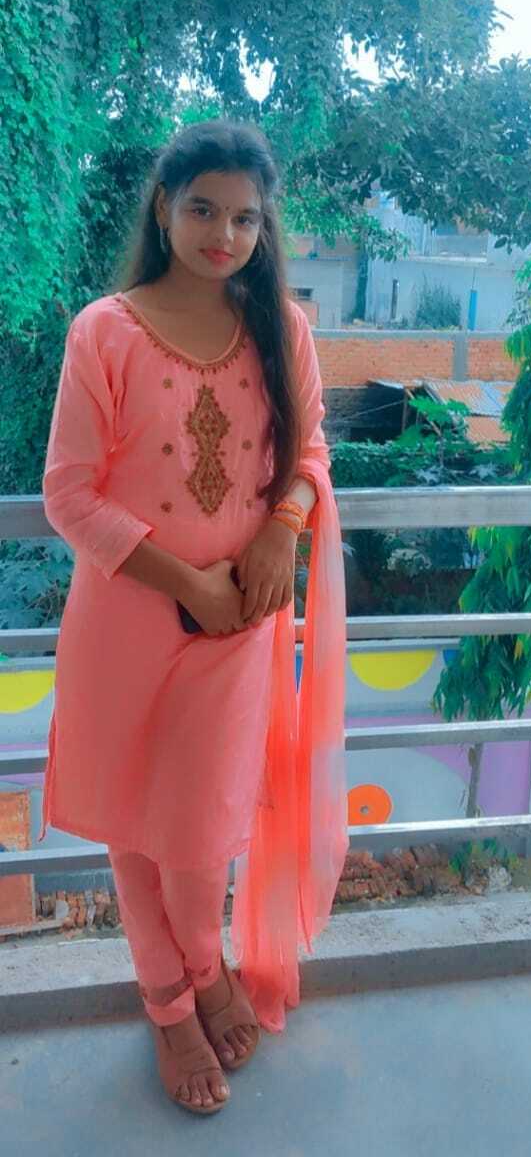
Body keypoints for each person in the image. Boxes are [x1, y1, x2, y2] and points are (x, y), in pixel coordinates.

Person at [39, 119, 348, 1116]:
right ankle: (171, 1002)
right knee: (133, 821)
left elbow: (310, 452)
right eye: (204, 209)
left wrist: (280, 532)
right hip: (125, 620)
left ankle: (205, 964)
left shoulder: (281, 329)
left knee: (201, 826)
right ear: (163, 208)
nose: (224, 235)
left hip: (240, 625)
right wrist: (190, 582)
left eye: (245, 218)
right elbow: (68, 494)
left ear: (265, 227)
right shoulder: (106, 331)